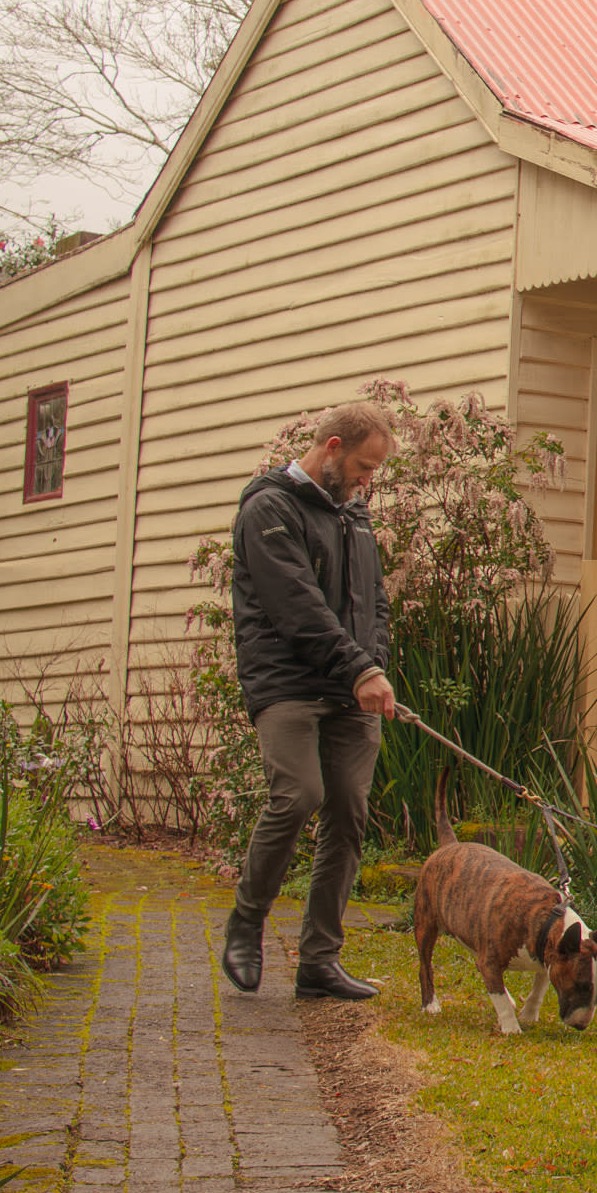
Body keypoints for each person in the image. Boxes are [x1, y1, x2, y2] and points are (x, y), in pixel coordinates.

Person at [220, 402, 401, 998]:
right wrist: (359, 670)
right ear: (330, 447)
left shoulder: (355, 514)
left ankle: (319, 961)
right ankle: (247, 923)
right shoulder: (268, 508)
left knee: (348, 813)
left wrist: (374, 664)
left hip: (351, 685)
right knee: (299, 796)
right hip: (289, 682)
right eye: (362, 467)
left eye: (373, 473)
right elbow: (297, 607)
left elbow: (373, 601)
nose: (366, 480)